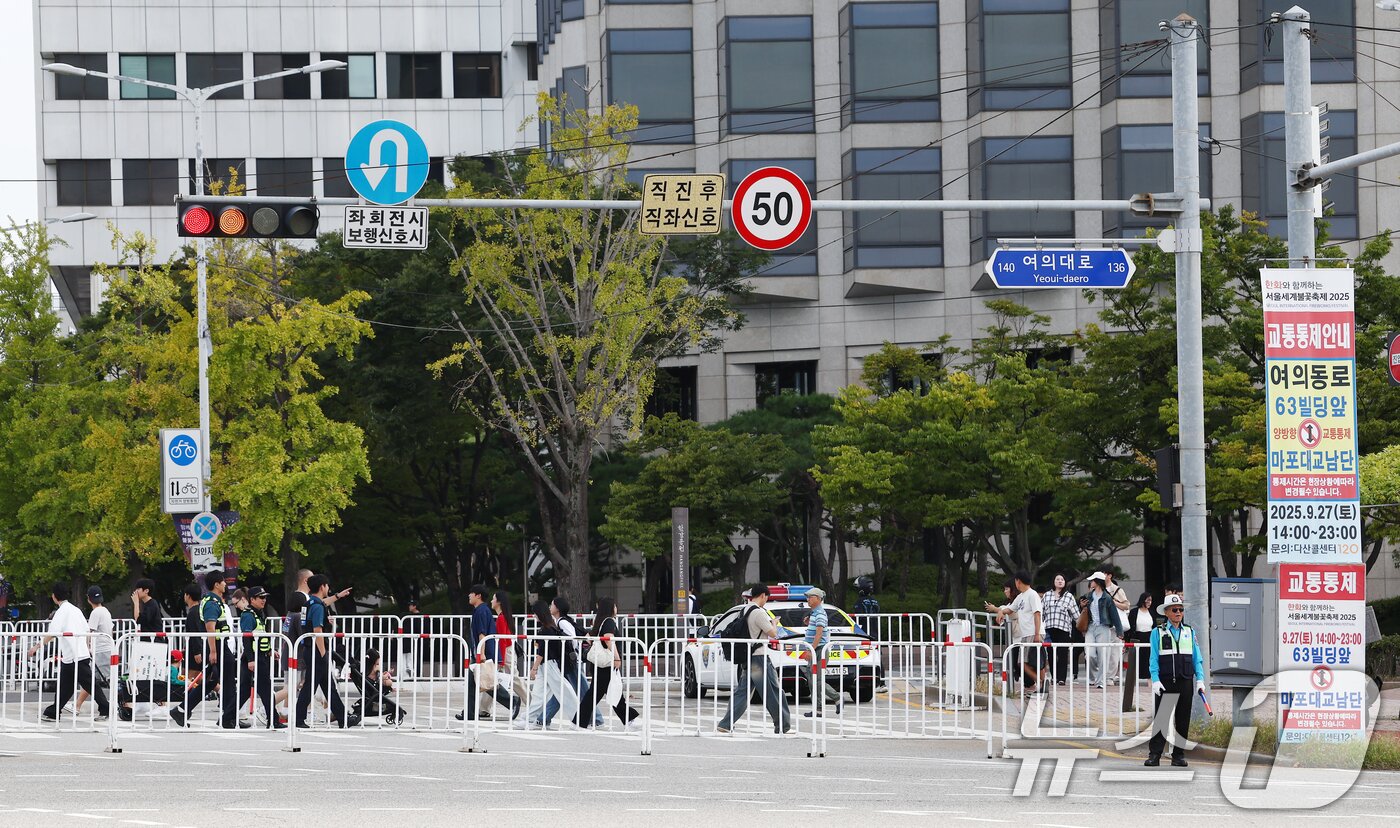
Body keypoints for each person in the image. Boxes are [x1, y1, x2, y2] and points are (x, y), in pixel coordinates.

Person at [29, 582, 110, 722]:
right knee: (67, 686)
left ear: (54, 596)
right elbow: (86, 630)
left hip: (74, 656)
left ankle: (105, 708)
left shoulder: (62, 612)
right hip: (76, 655)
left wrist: (37, 646)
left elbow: (52, 633)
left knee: (88, 684)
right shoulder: (76, 610)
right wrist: (86, 648)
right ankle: (53, 712)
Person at [716, 585, 791, 734]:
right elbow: (773, 633)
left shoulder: (744, 610)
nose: (766, 601)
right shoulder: (759, 613)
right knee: (773, 691)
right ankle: (783, 725)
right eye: (767, 598)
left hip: (747, 658)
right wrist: (774, 622)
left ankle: (725, 723)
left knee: (742, 693)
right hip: (759, 659)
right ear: (763, 595)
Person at [1145, 594, 1206, 768]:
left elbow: (1197, 659)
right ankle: (1154, 755)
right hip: (1165, 681)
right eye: (1174, 610)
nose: (1178, 612)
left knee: (1183, 719)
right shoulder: (1158, 632)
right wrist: (1155, 679)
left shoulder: (1189, 631)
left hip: (1185, 681)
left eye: (1180, 609)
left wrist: (1200, 679)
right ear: (1166, 612)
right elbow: (1153, 659)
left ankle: (1178, 756)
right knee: (1162, 719)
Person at [295, 575, 357, 728]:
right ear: (322, 586)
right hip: (316, 651)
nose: (328, 588)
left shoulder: (310, 603)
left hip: (310, 649)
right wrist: (323, 653)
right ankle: (298, 718)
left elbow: (323, 603)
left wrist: (338, 596)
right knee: (311, 686)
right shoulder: (316, 606)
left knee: (328, 687)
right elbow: (318, 631)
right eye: (327, 586)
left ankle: (343, 718)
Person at [458, 584, 518, 721]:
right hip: (483, 652)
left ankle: (512, 701)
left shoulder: (481, 611)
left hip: (485, 653)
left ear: (478, 595)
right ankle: (470, 713)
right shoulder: (480, 610)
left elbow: (482, 634)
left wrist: (481, 654)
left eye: (471, 593)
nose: (469, 595)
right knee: (477, 683)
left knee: (487, 683)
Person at [586, 597, 641, 728]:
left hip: (599, 664)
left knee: (600, 694)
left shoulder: (599, 621)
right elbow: (608, 639)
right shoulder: (609, 621)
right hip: (606, 664)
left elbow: (590, 638)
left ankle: (629, 719)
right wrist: (617, 657)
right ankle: (629, 720)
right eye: (615, 606)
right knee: (599, 695)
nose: (617, 609)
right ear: (610, 608)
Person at [524, 603, 578, 727]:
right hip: (548, 664)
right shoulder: (550, 626)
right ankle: (530, 718)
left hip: (549, 664)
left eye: (535, 613)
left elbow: (541, 651)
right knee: (541, 693)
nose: (534, 616)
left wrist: (534, 668)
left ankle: (578, 718)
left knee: (563, 691)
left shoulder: (545, 629)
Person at [550, 596, 598, 727]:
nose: (550, 607)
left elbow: (572, 639)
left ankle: (597, 718)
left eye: (552, 604)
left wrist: (573, 653)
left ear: (558, 608)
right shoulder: (561, 621)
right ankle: (543, 718)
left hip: (570, 660)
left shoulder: (562, 622)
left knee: (581, 690)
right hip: (569, 660)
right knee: (562, 690)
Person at [238, 586, 282, 728]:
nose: (264, 600)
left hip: (260, 657)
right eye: (261, 597)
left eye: (265, 597)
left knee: (245, 692)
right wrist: (251, 660)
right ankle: (273, 721)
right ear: (252, 599)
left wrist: (269, 650)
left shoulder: (259, 613)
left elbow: (261, 635)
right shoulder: (248, 615)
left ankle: (226, 718)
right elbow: (247, 639)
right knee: (266, 690)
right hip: (253, 658)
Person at [800, 587, 843, 717]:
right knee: (813, 680)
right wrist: (808, 624)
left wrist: (811, 650)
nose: (808, 599)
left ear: (818, 599)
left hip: (819, 650)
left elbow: (819, 634)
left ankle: (836, 697)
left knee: (816, 680)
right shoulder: (814, 613)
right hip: (816, 649)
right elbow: (816, 631)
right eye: (807, 597)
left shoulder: (819, 613)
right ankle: (818, 709)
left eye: (811, 597)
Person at [1000, 571, 1044, 693]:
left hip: (1034, 632)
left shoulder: (1032, 595)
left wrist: (1037, 634)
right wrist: (1001, 612)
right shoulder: (1021, 597)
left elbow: (1037, 614)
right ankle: (1041, 683)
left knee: (1030, 662)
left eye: (1015, 581)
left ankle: (1041, 683)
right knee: (1028, 662)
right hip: (1026, 634)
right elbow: (1010, 609)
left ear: (1018, 581)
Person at [1080, 572, 1124, 689]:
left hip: (1104, 628)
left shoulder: (1107, 597)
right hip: (1090, 627)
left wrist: (1120, 632)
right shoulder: (1088, 596)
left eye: (1093, 580)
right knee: (1090, 654)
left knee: (1103, 655)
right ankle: (1092, 678)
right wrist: (1082, 606)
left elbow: (1114, 616)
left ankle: (1100, 681)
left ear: (1098, 581)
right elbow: (1084, 612)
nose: (1091, 582)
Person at [75, 585, 114, 715]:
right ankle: (77, 705)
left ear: (88, 598)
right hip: (107, 647)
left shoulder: (95, 613)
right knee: (90, 680)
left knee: (106, 680)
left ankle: (124, 703)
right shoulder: (105, 611)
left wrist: (86, 649)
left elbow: (89, 633)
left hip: (100, 650)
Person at [491, 590, 530, 710]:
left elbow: (502, 641)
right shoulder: (504, 617)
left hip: (506, 652)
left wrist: (500, 661)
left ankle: (532, 703)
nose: (491, 601)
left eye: (493, 599)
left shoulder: (501, 618)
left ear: (499, 602)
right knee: (494, 679)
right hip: (507, 651)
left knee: (513, 680)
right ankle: (483, 708)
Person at [1041, 573, 1079, 685]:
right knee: (1051, 654)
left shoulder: (1069, 596)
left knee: (1062, 653)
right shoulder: (1047, 595)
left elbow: (1076, 615)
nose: (1060, 581)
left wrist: (1082, 626)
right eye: (1057, 579)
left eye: (1062, 579)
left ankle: (1062, 678)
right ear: (1053, 581)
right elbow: (1041, 612)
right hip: (1049, 628)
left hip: (1064, 629)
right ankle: (1054, 677)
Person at [1104, 571, 1131, 686]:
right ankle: (1101, 676)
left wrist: (1114, 602)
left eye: (1104, 574)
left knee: (1114, 654)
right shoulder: (1096, 589)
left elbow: (1126, 605)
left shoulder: (1117, 590)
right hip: (1102, 626)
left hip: (1115, 626)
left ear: (1109, 575)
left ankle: (1110, 677)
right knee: (1101, 652)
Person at [1127, 592, 1159, 679]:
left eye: (1151, 600)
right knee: (1138, 658)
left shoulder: (1152, 612)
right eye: (1148, 600)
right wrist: (1126, 639)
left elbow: (1154, 626)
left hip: (1149, 637)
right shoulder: (1134, 612)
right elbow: (1129, 627)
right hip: (1137, 637)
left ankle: (1148, 676)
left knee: (1149, 658)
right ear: (1143, 600)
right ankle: (1137, 676)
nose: (1150, 602)